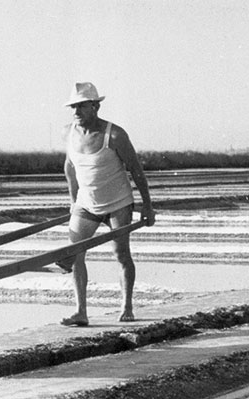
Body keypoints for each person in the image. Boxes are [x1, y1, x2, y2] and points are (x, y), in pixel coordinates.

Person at [57, 82, 155, 327]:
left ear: (95, 106)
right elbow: (69, 168)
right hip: (86, 203)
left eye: (81, 106)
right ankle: (81, 311)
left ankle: (126, 306)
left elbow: (136, 169)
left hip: (118, 202)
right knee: (75, 253)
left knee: (121, 253)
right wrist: (73, 201)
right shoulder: (68, 132)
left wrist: (147, 205)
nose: (76, 111)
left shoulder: (115, 134)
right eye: (73, 106)